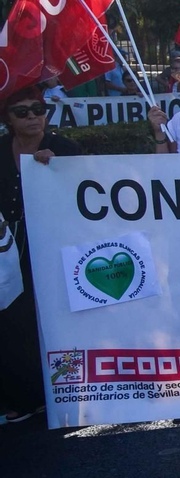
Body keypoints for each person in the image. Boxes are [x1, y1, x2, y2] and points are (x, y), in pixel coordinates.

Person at [0, 86, 82, 424]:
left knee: (55, 313)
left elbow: (86, 190)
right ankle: (24, 396)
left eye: (38, 109)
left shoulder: (63, 147)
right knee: (13, 316)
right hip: (8, 245)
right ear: (8, 119)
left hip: (53, 241)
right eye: (23, 112)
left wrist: (57, 168)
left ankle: (69, 389)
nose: (33, 116)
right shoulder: (2, 149)